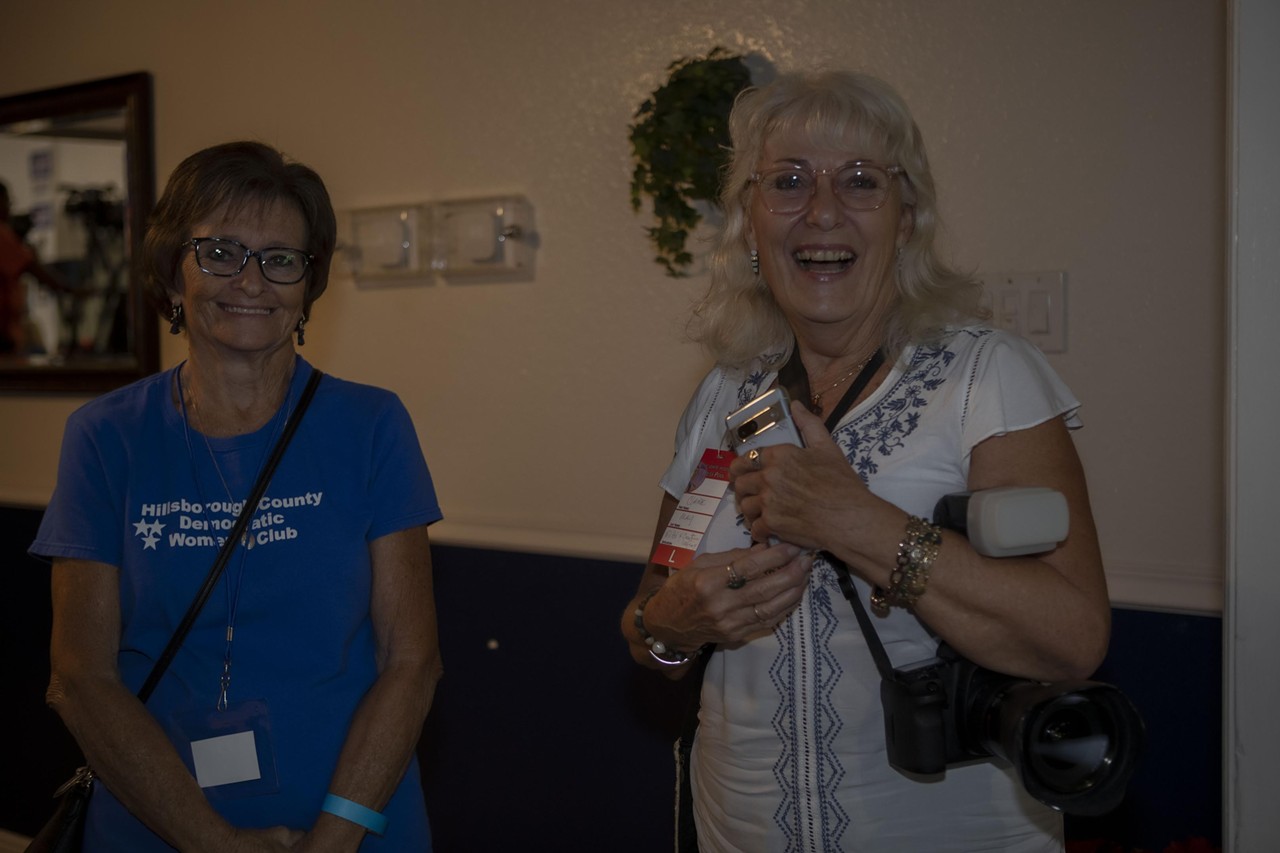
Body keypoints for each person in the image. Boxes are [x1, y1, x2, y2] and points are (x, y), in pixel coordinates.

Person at [622, 71, 1109, 851]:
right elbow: (646, 619)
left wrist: (858, 523)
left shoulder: (987, 376)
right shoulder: (722, 394)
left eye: (859, 181)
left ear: (906, 218)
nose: (821, 212)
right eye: (786, 182)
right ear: (750, 223)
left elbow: (1071, 638)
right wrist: (674, 625)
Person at [31, 141, 444, 851]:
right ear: (171, 273)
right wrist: (215, 844)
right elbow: (80, 676)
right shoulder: (105, 438)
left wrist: (336, 838)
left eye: (281, 259)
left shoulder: (372, 425)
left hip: (355, 824)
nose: (251, 282)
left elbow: (413, 660)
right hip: (156, 827)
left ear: (308, 285)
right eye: (221, 251)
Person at [0, 180, 67, 354]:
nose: (9, 208)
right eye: (7, 201)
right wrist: (72, 288)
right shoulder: (2, 236)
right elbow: (36, 270)